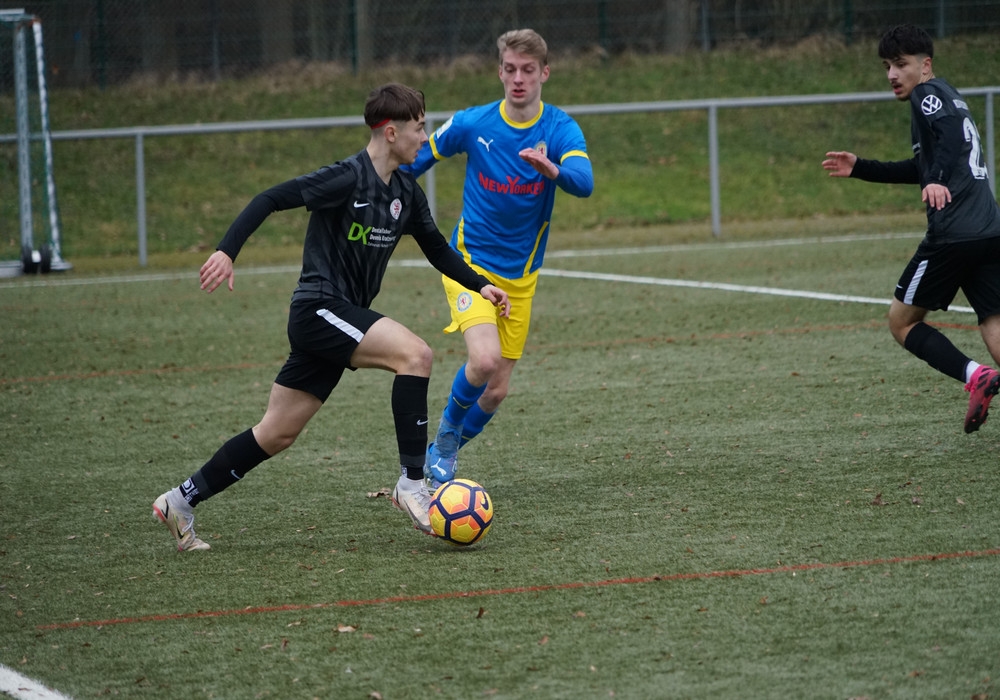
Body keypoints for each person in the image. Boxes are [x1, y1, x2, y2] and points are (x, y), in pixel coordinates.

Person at [152, 83, 509, 551]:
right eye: (420, 128)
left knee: (276, 433)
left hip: (338, 320)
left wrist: (479, 284)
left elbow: (437, 248)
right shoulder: (345, 178)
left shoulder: (406, 191)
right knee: (416, 355)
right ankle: (411, 484)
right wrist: (226, 251)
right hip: (319, 308)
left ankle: (180, 500)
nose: (425, 138)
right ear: (390, 132)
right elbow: (269, 198)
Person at [403, 28, 594, 488]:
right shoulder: (474, 124)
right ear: (500, 72)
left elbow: (584, 181)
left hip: (521, 277)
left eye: (528, 70)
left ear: (544, 73)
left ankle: (439, 458)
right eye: (510, 69)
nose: (519, 78)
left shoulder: (559, 128)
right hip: (469, 264)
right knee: (484, 360)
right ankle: (445, 440)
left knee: (495, 390)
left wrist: (553, 170)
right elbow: (414, 160)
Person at [822, 24, 1000, 434]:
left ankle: (976, 376)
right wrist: (861, 167)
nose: (892, 74)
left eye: (900, 64)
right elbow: (922, 166)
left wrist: (937, 178)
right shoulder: (949, 95)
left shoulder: (926, 94)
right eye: (887, 66)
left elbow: (948, 143)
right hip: (988, 229)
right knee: (993, 318)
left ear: (925, 65)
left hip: (953, 234)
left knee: (901, 322)